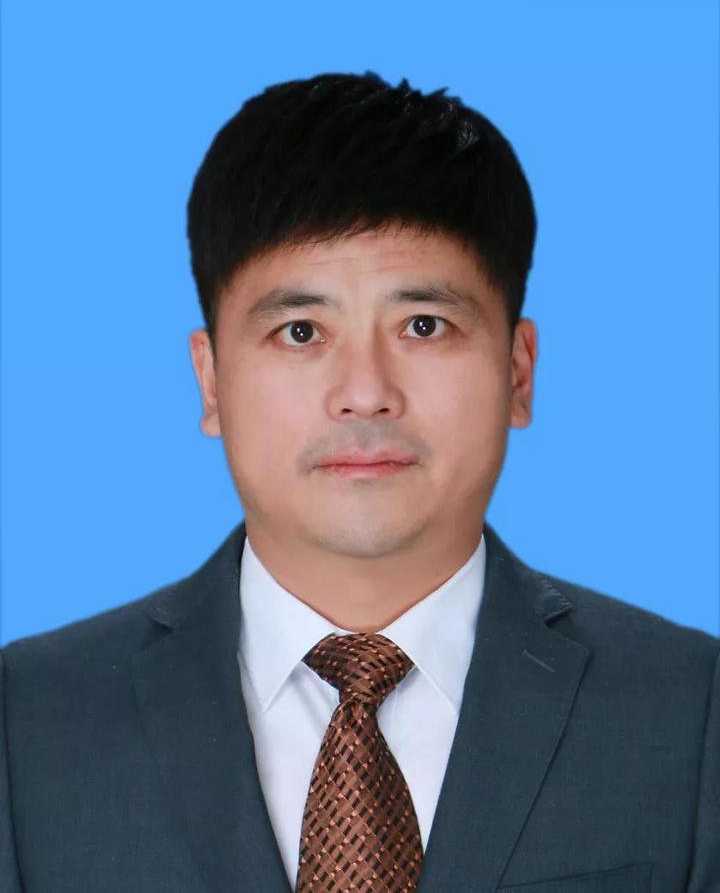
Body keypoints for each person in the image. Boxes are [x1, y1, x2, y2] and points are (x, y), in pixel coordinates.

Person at [0, 70, 717, 893]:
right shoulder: (27, 720)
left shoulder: (692, 708)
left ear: (518, 372)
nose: (366, 392)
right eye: (301, 331)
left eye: (424, 325)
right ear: (211, 381)